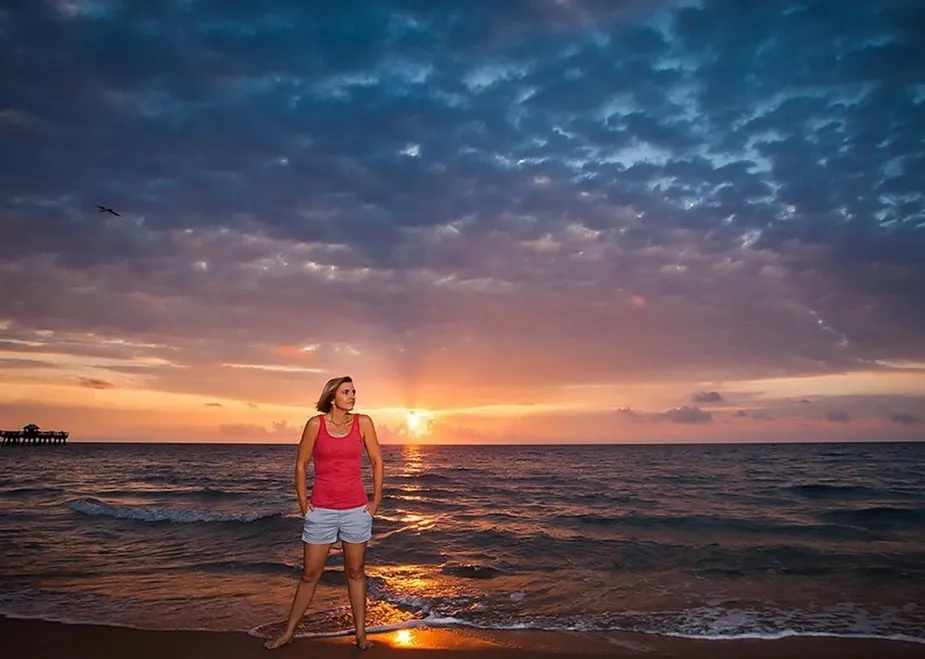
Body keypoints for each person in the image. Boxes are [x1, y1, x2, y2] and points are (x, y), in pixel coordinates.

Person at [264, 375, 384, 650]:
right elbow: (300, 465)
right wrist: (303, 502)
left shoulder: (363, 423)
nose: (352, 396)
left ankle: (361, 635)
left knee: (355, 572)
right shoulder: (315, 425)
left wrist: (375, 501)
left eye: (354, 391)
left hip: (356, 510)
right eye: (346, 392)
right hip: (322, 512)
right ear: (332, 397)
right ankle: (289, 632)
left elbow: (377, 462)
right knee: (309, 574)